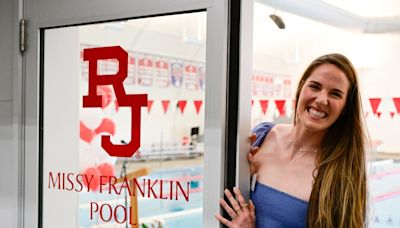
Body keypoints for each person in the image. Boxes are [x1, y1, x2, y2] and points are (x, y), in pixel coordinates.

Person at [215, 53, 368, 228]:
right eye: (315, 86)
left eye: (335, 94)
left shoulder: (341, 174)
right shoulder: (262, 137)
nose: (321, 100)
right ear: (301, 87)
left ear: (345, 108)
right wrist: (242, 174)